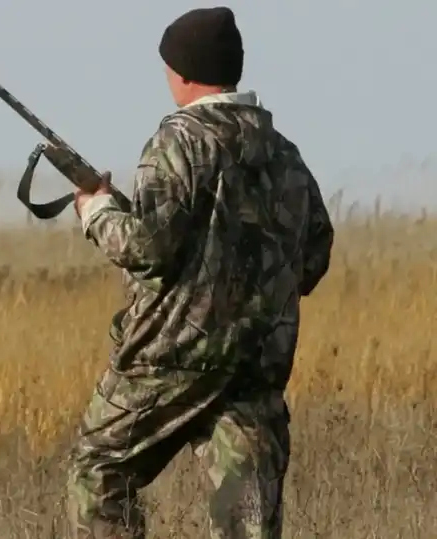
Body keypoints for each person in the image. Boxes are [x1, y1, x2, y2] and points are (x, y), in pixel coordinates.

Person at [61, 6, 335, 539]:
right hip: (256, 362)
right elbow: (316, 251)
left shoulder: (177, 142)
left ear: (183, 73)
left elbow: (146, 249)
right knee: (246, 515)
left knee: (97, 471)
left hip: (171, 360)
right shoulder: (284, 154)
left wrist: (95, 210)